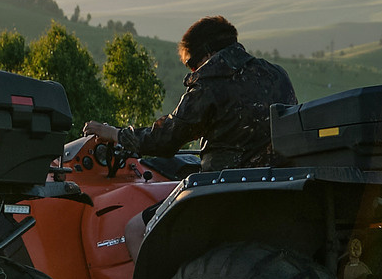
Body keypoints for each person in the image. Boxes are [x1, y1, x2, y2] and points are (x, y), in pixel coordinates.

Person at [83, 14, 294, 172]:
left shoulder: (210, 83)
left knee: (135, 228)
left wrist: (115, 133)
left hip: (226, 194)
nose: (194, 72)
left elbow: (166, 140)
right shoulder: (277, 75)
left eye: (193, 65)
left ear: (208, 54)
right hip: (277, 188)